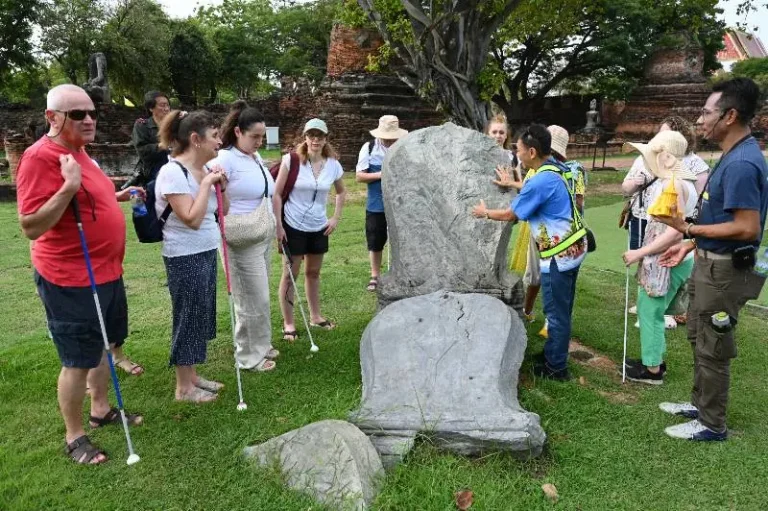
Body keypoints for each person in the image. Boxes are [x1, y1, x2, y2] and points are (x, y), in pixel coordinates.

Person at [16, 84, 144, 464]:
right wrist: (69, 186)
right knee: (76, 358)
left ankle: (101, 409)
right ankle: (74, 436)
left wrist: (115, 196)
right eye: (77, 114)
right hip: (69, 277)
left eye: (91, 112)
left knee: (104, 344)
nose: (88, 120)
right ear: (52, 118)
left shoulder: (80, 151)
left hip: (106, 271)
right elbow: (31, 226)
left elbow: (91, 195)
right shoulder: (39, 157)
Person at [654, 78, 768, 441]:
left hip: (724, 271)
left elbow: (747, 227)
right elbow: (718, 217)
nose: (700, 119)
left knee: (713, 345)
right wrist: (689, 245)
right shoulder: (732, 155)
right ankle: (699, 404)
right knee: (698, 334)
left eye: (706, 112)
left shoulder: (742, 164)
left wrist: (687, 230)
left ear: (730, 115)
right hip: (708, 262)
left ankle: (711, 423)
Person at [471, 124, 587, 381]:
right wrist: (512, 182)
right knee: (562, 308)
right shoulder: (554, 168)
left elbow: (512, 215)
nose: (517, 153)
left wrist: (484, 213)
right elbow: (537, 190)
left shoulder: (540, 179)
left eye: (519, 149)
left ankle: (556, 368)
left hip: (559, 255)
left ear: (532, 151)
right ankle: (553, 353)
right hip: (575, 247)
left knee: (556, 313)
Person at [155, 110, 228, 403]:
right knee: (188, 316)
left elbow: (223, 211)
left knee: (200, 315)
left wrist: (221, 186)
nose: (220, 142)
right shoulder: (173, 172)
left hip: (206, 250)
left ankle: (193, 376)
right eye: (215, 136)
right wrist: (207, 185)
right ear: (195, 139)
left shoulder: (206, 168)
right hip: (184, 255)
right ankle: (183, 387)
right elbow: (191, 218)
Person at [621, 131, 698, 385]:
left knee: (650, 310)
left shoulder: (674, 185)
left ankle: (652, 370)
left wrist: (639, 253)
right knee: (649, 308)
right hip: (663, 254)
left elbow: (676, 231)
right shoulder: (676, 182)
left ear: (665, 157)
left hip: (666, 257)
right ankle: (652, 359)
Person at [208, 101, 279, 372]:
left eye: (262, 136)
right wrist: (217, 178)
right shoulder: (225, 158)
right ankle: (249, 355)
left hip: (259, 232)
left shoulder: (254, 157)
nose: (259, 141)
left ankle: (262, 343)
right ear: (238, 132)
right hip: (239, 236)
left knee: (260, 294)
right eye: (254, 136)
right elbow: (206, 175)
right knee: (250, 297)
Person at [274, 118, 346, 341]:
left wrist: (334, 217)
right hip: (293, 225)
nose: (315, 139)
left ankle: (315, 317)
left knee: (313, 273)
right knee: (290, 275)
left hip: (319, 226)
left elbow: (341, 192)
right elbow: (276, 194)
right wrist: (278, 225)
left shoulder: (333, 164)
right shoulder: (292, 160)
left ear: (326, 138)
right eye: (311, 135)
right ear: (305, 137)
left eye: (320, 136)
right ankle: (289, 323)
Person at [355, 115, 408, 292]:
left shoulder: (404, 147)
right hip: (376, 201)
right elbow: (360, 176)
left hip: (400, 201)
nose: (389, 140)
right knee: (375, 239)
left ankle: (400, 271)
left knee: (401, 238)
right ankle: (375, 275)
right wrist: (382, 174)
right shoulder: (369, 148)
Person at [131, 91, 170, 184]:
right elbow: (141, 150)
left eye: (168, 105)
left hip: (175, 165)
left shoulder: (175, 124)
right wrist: (162, 145)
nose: (166, 108)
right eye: (162, 105)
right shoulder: (142, 125)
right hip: (154, 170)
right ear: (151, 108)